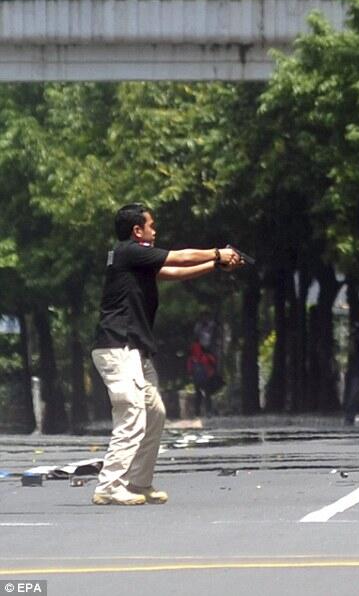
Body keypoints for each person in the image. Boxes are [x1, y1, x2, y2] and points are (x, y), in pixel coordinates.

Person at [90, 203, 243, 506]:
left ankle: (138, 482)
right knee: (131, 411)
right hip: (118, 345)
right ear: (137, 231)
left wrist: (214, 265)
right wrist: (216, 253)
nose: (155, 230)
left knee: (154, 413)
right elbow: (179, 256)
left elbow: (172, 271)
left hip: (134, 349)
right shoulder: (128, 251)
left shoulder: (135, 260)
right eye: (151, 225)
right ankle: (109, 485)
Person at [186, 339, 219, 417]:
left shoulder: (191, 359)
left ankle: (197, 413)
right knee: (208, 395)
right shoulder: (206, 356)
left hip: (197, 380)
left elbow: (189, 370)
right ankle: (208, 411)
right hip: (207, 378)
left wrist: (192, 376)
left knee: (198, 396)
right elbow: (214, 362)